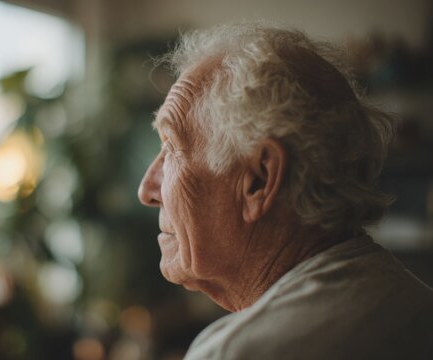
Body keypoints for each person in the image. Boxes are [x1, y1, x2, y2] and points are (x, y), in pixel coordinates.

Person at [137, 22, 433, 360]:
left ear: (259, 180)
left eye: (172, 148)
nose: (146, 189)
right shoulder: (418, 306)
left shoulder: (237, 352)